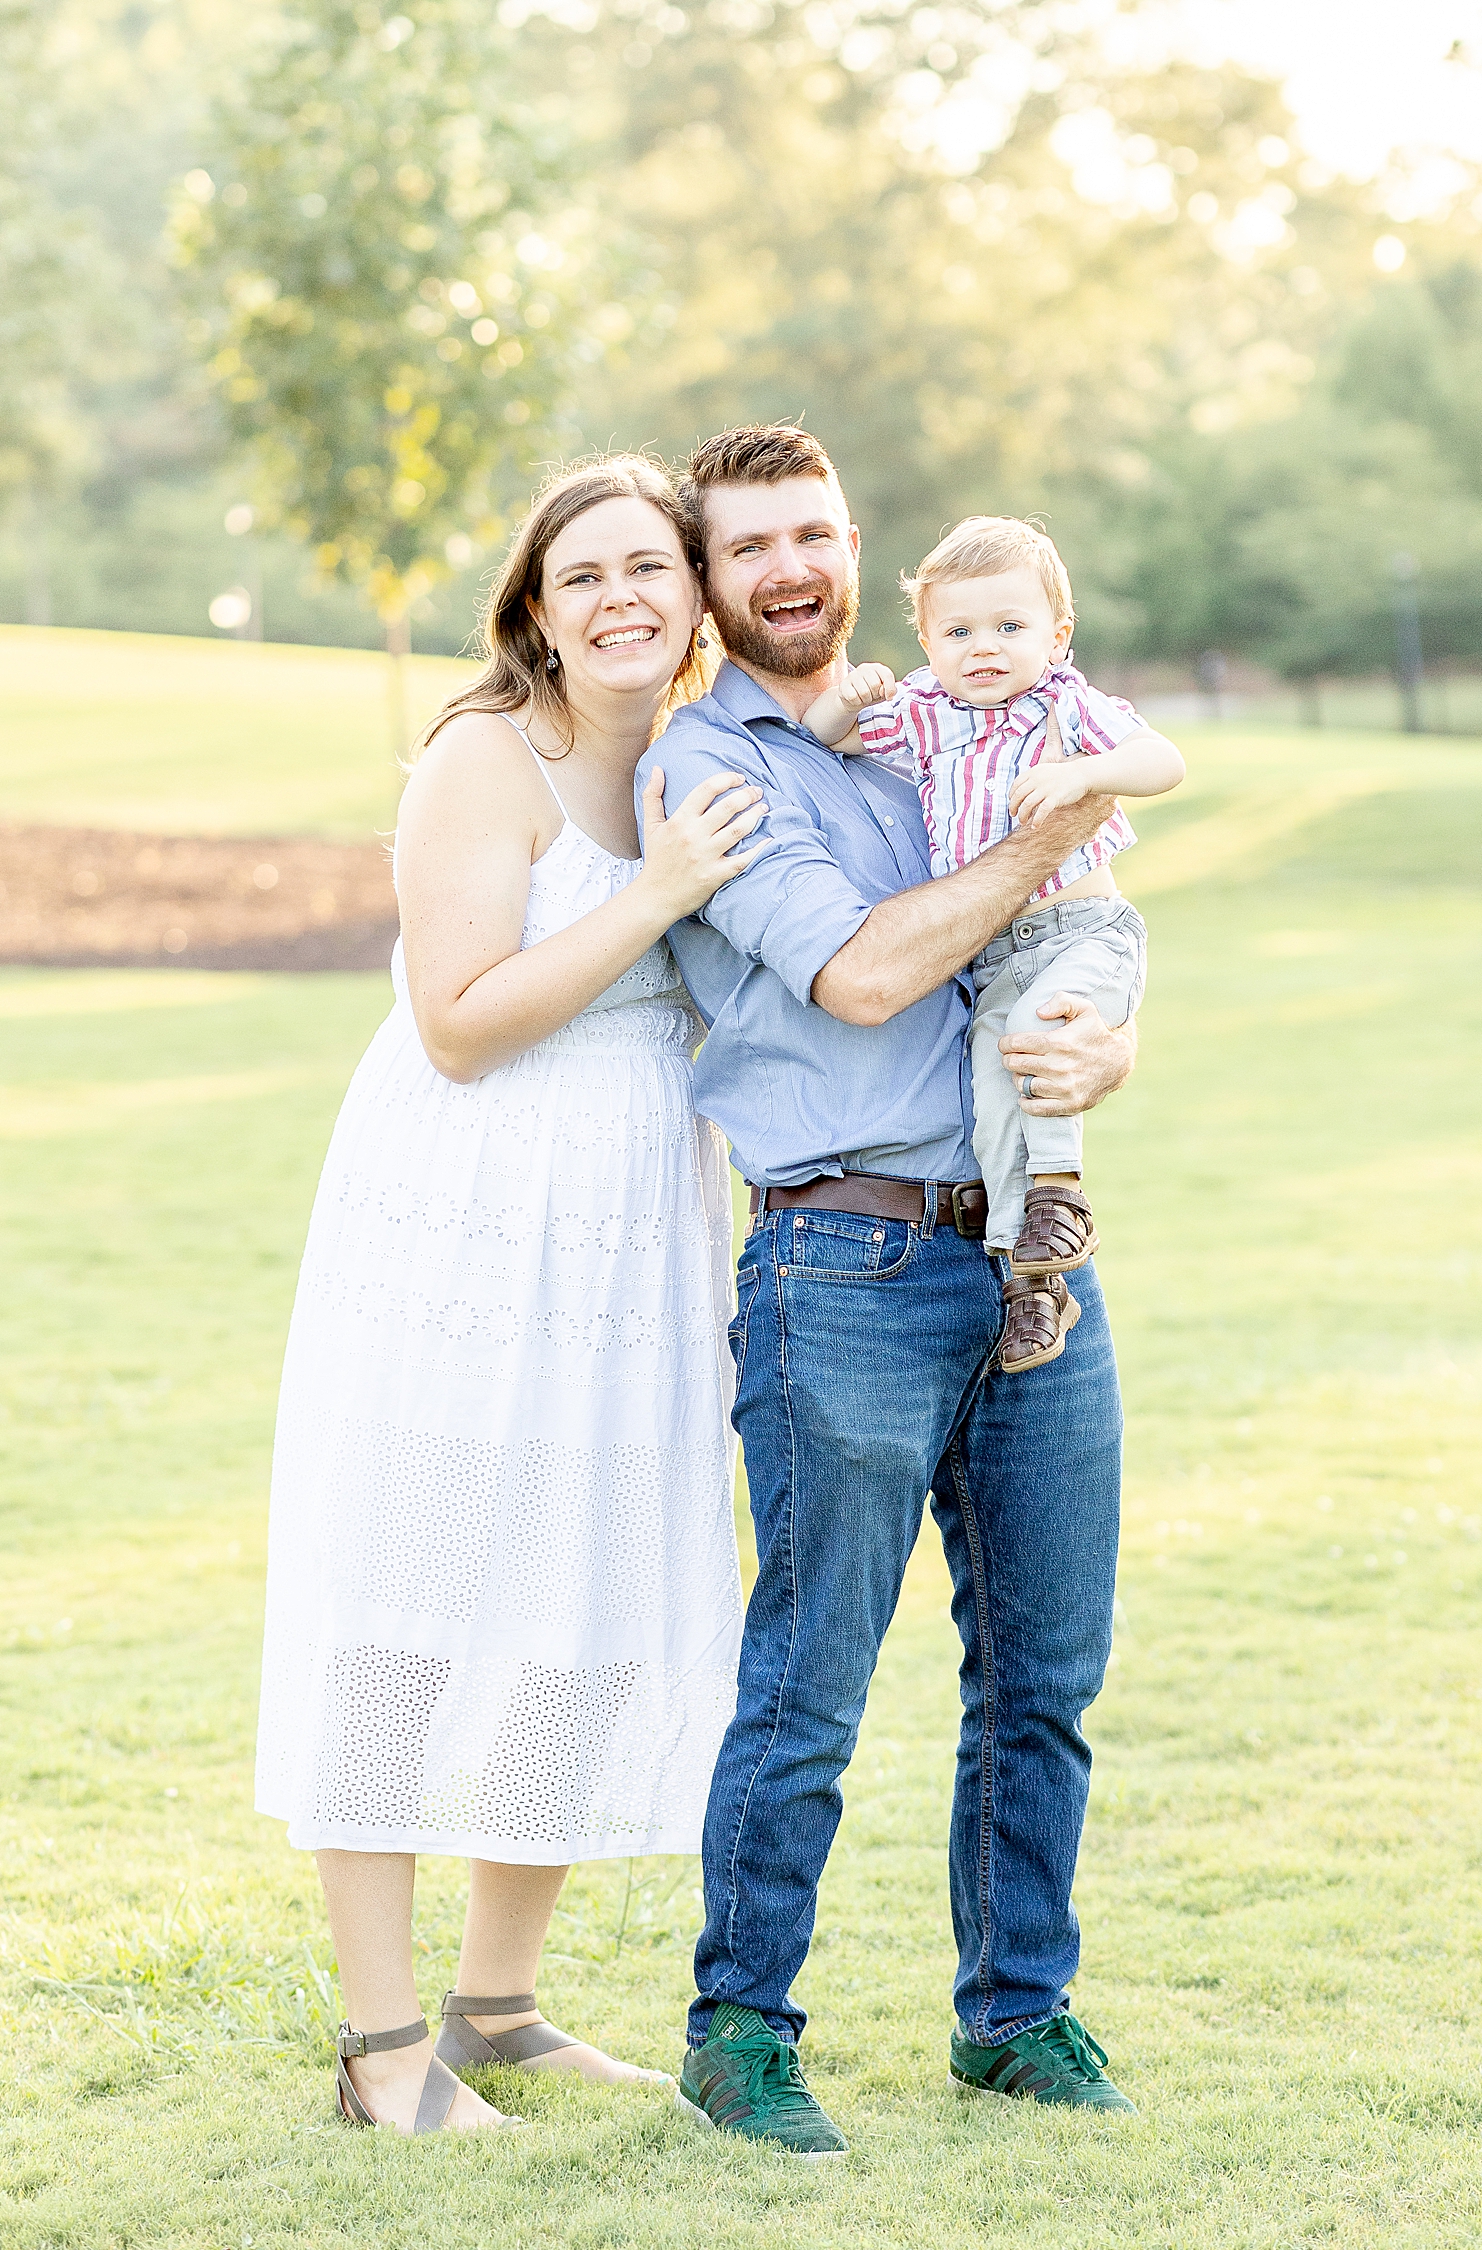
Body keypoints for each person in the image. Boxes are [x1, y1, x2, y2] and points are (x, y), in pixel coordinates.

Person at [639, 425, 1141, 2159]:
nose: (786, 567)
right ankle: (740, 2032)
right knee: (814, 1682)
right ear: (709, 584)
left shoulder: (938, 725)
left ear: (856, 547)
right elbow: (864, 975)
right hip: (838, 1260)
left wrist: (1109, 1041)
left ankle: (1018, 2018)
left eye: (810, 533)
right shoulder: (710, 771)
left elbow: (1048, 961)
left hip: (1020, 1239)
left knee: (1044, 1669)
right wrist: (1047, 840)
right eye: (745, 546)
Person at [254, 456, 765, 2136]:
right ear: (535, 611)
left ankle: (496, 2008)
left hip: (633, 1226)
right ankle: (381, 2051)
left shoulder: (697, 758)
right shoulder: (488, 756)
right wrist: (660, 891)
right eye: (587, 574)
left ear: (696, 596)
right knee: (407, 1597)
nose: (625, 598)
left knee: (585, 1606)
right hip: (468, 1218)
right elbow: (460, 1022)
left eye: (654, 570)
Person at [803, 514, 1185, 1372]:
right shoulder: (926, 714)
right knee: (992, 1084)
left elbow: (1163, 762)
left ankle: (1060, 1196)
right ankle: (1032, 1275)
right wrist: (850, 696)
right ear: (929, 642)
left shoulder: (1065, 705)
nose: (986, 648)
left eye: (1011, 627)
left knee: (1048, 1037)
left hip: (1083, 930)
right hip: (996, 955)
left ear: (1059, 634)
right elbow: (826, 739)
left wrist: (1087, 771)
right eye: (959, 631)